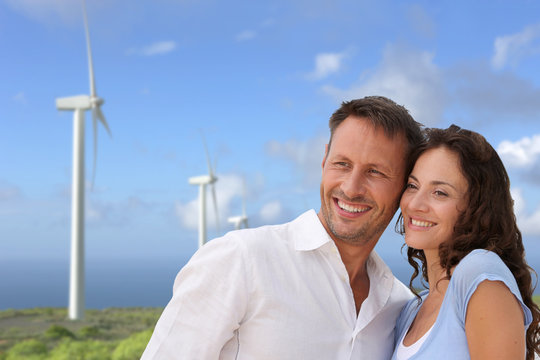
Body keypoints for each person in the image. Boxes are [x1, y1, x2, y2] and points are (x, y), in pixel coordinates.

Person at [141, 96, 424, 360]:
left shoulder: (398, 306)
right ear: (324, 159)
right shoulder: (241, 259)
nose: (351, 188)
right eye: (342, 164)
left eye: (375, 172)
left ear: (406, 187)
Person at [391, 125, 540, 360]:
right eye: (412, 186)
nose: (415, 204)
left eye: (440, 192)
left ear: (477, 208)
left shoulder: (479, 273)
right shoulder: (411, 311)